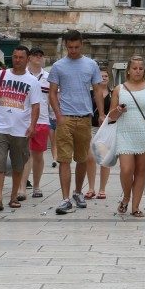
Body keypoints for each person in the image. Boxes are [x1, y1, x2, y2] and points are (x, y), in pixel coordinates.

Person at [48, 30, 106, 215]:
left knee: (81, 158)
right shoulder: (58, 66)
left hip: (84, 117)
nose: (73, 50)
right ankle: (65, 198)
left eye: (76, 47)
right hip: (65, 117)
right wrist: (58, 115)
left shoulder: (91, 65)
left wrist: (101, 113)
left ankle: (78, 192)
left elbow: (97, 90)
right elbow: (52, 92)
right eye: (70, 47)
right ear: (65, 45)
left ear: (82, 45)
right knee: (64, 159)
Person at [0, 46, 42, 211]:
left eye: (21, 57)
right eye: (15, 57)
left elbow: (36, 106)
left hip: (20, 130)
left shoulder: (32, 81)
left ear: (27, 59)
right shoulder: (1, 75)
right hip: (0, 127)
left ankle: (13, 196)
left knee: (18, 165)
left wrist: (32, 126)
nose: (17, 60)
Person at [107, 55, 145, 217]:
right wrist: (118, 110)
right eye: (134, 68)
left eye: (140, 68)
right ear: (128, 70)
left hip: (144, 132)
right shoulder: (119, 89)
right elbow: (111, 116)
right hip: (124, 132)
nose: (137, 71)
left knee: (141, 171)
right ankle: (126, 197)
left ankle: (135, 206)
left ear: (144, 70)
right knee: (126, 169)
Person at [26, 48, 51, 198]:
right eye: (35, 55)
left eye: (41, 56)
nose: (38, 58)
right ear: (29, 58)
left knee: (38, 155)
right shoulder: (23, 75)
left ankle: (36, 185)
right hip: (24, 119)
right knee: (25, 154)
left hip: (42, 119)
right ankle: (22, 186)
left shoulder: (48, 77)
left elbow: (53, 98)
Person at [85, 68, 112, 199]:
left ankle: (102, 189)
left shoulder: (113, 94)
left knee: (104, 159)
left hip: (106, 129)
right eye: (101, 76)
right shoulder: (90, 93)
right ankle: (91, 187)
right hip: (91, 127)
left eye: (106, 76)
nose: (104, 77)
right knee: (90, 157)